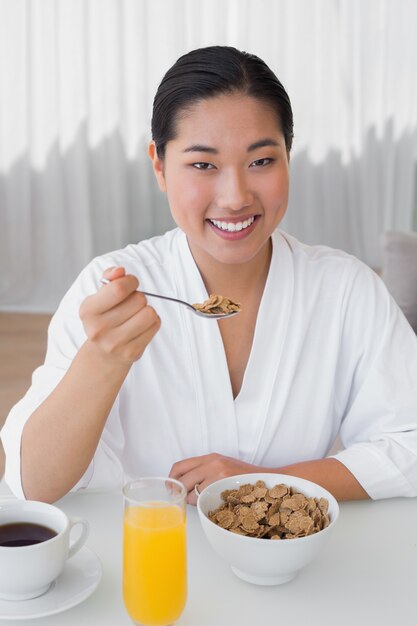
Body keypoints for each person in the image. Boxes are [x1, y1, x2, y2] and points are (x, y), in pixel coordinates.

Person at [2, 46, 417, 505]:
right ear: (159, 166)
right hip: (147, 563)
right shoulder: (110, 288)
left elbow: (409, 445)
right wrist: (102, 360)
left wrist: (267, 482)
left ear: (288, 157)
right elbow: (30, 485)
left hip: (288, 566)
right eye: (203, 165)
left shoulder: (346, 289)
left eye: (261, 161)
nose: (236, 196)